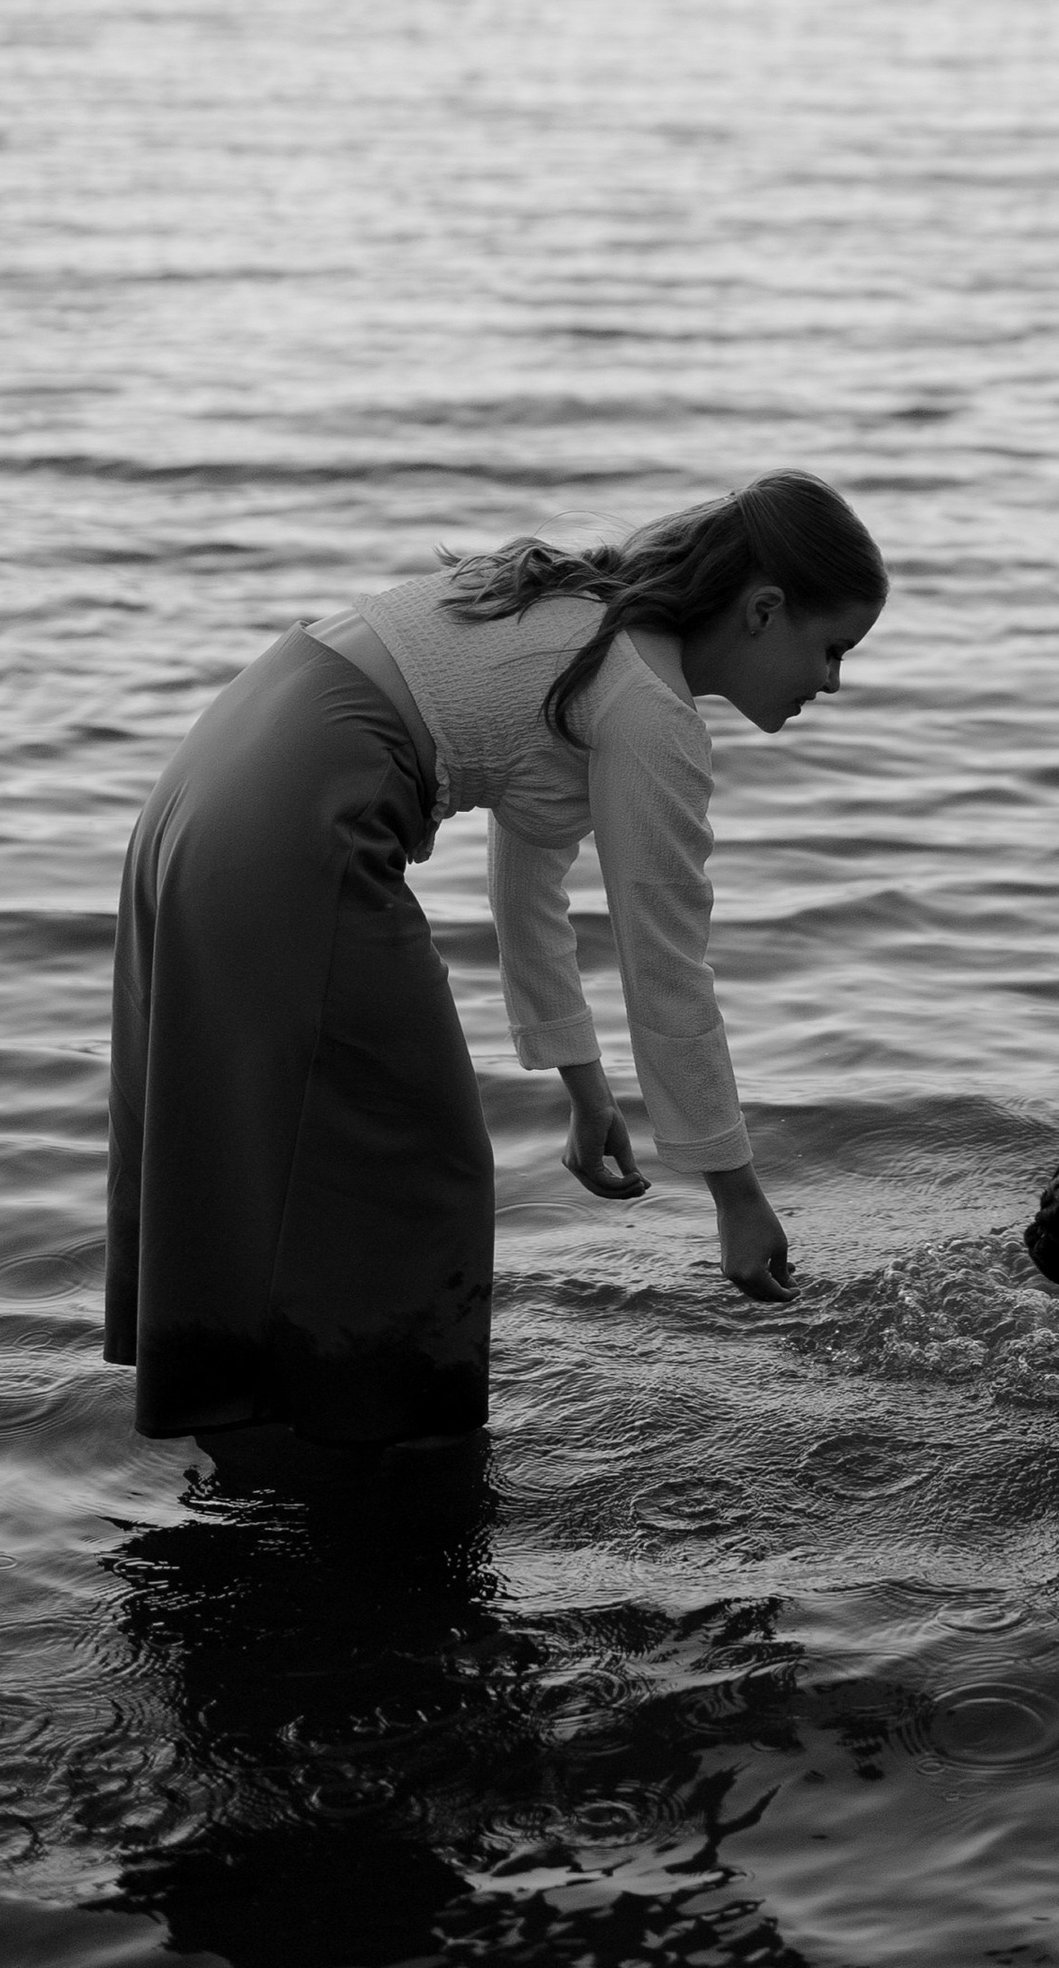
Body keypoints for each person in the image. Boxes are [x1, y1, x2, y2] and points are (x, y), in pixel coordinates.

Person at [105, 469, 887, 1461]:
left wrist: (582, 1084)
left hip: (205, 793)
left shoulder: (592, 626)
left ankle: (263, 1445)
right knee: (421, 1169)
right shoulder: (648, 708)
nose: (832, 683)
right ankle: (388, 1469)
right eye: (832, 649)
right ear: (763, 608)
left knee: (261, 1146)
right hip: (294, 823)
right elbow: (668, 967)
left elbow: (525, 876)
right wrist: (736, 1198)